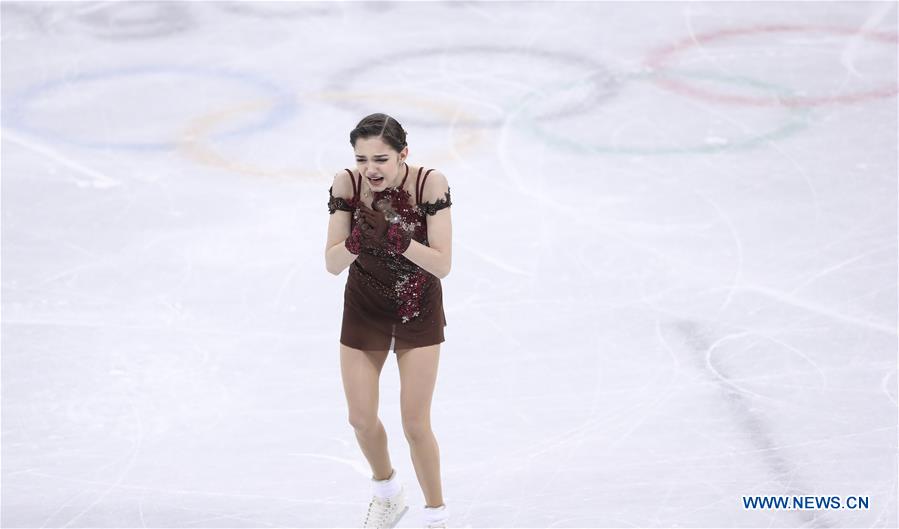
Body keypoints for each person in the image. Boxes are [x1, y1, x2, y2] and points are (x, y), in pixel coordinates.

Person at [324, 113, 453, 528]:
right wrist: (359, 240)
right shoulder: (347, 183)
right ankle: (387, 492)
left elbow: (443, 264)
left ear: (403, 154)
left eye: (380, 158)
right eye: (362, 159)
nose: (370, 169)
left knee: (415, 425)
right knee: (360, 419)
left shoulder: (428, 183)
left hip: (417, 306)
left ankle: (436, 516)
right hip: (365, 306)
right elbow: (331, 263)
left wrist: (399, 239)